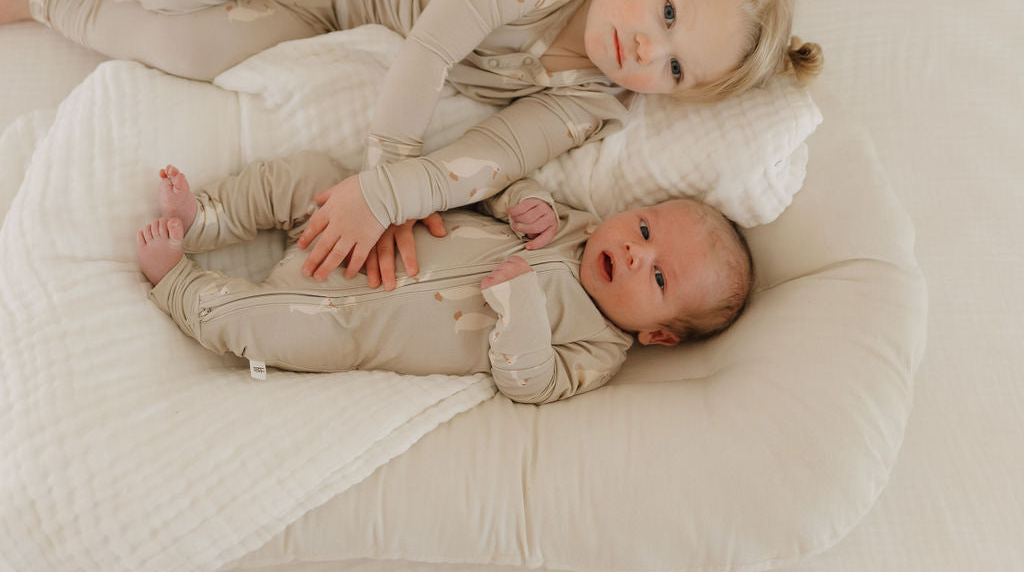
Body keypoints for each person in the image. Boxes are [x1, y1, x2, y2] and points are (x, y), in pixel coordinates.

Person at [0, 0, 821, 284]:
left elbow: (490, 158)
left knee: (185, 51)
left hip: (327, 16)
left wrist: (392, 201)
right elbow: (428, 49)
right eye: (667, 14)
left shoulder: (592, 104)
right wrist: (384, 176)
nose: (648, 52)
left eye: (676, 70)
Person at [135, 152, 754, 404]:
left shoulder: (598, 351)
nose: (635, 252)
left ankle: (179, 284)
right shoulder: (574, 223)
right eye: (644, 230)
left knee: (277, 330)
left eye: (660, 280)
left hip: (356, 323)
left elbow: (529, 383)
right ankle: (208, 215)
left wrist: (523, 308)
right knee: (318, 178)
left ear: (661, 336)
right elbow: (486, 186)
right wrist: (522, 200)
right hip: (371, 239)